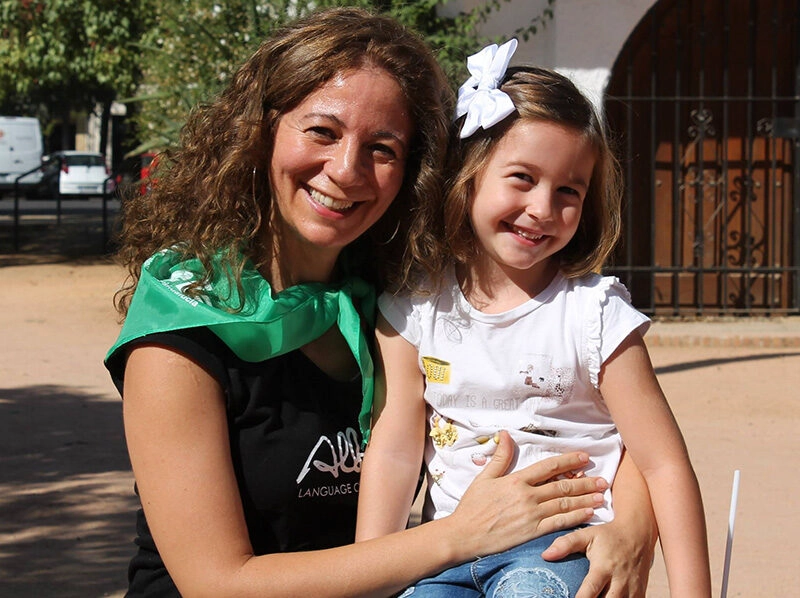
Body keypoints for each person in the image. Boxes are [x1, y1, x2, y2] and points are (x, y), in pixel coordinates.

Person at [105, 10, 657, 598]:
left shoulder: (398, 305)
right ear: (261, 133)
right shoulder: (180, 332)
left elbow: (600, 423)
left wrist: (632, 528)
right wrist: (457, 538)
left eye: (382, 148)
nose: (345, 170)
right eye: (322, 132)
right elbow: (218, 584)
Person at [356, 39, 711, 597]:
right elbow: (396, 448)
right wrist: (369, 579)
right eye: (522, 178)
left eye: (569, 190)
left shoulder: (595, 314)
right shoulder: (412, 306)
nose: (544, 208)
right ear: (467, 174)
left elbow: (665, 465)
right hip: (446, 550)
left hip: (559, 549)